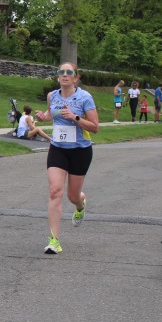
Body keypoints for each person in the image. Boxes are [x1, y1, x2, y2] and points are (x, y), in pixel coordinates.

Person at [34, 63, 99, 255]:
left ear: (75, 78)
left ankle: (80, 203)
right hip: (58, 149)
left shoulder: (85, 97)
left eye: (69, 72)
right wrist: (43, 116)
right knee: (55, 191)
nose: (64, 75)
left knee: (72, 196)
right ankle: (54, 241)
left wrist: (74, 117)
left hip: (80, 150)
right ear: (57, 77)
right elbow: (50, 114)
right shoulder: (52, 96)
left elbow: (95, 127)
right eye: (61, 72)